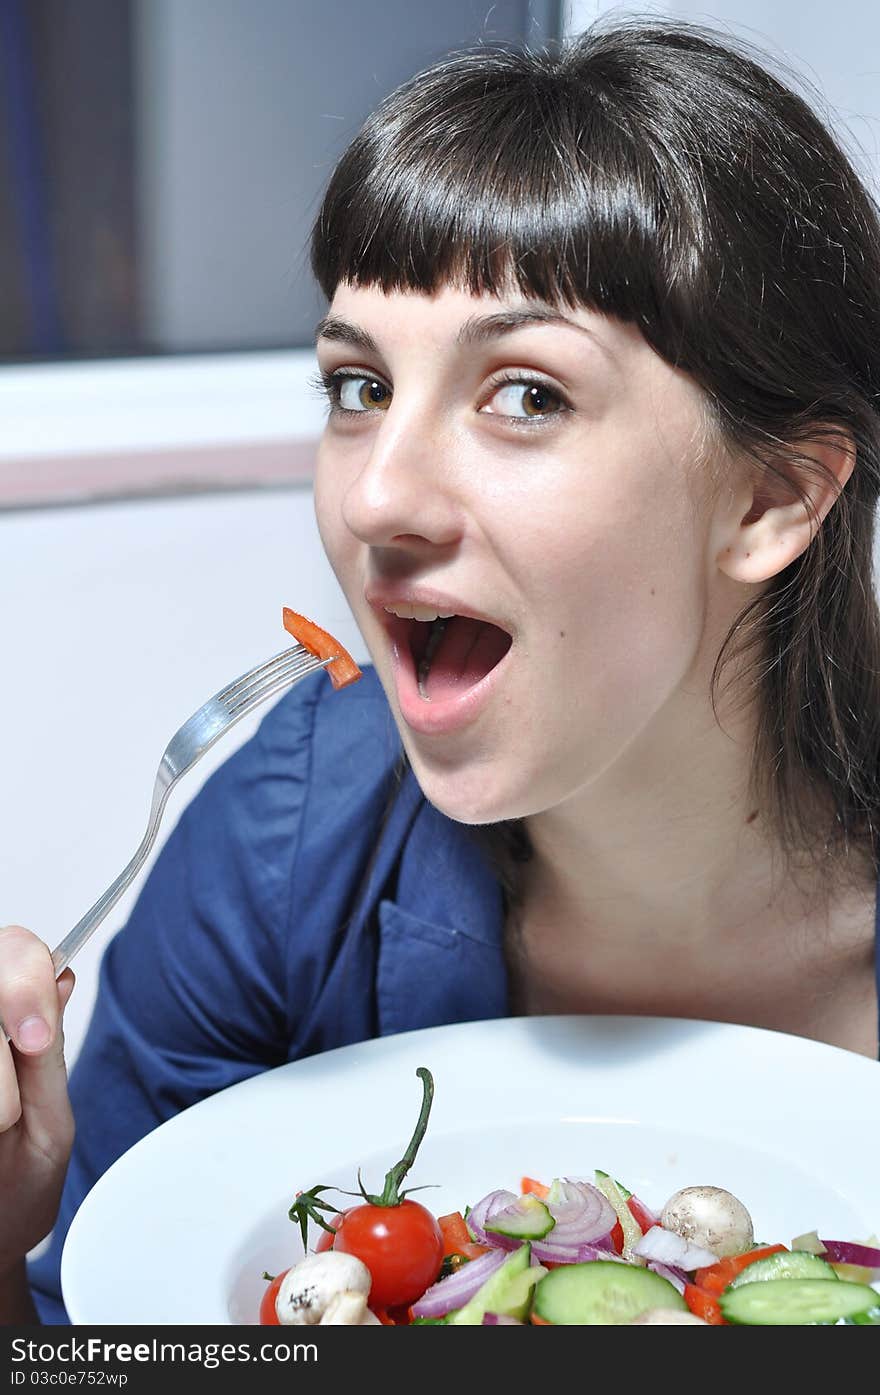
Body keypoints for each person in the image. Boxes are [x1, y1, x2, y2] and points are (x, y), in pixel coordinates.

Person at [3, 15, 880, 1325]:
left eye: (526, 395)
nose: (377, 498)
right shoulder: (277, 839)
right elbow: (107, 1340)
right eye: (357, 387)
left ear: (770, 499)